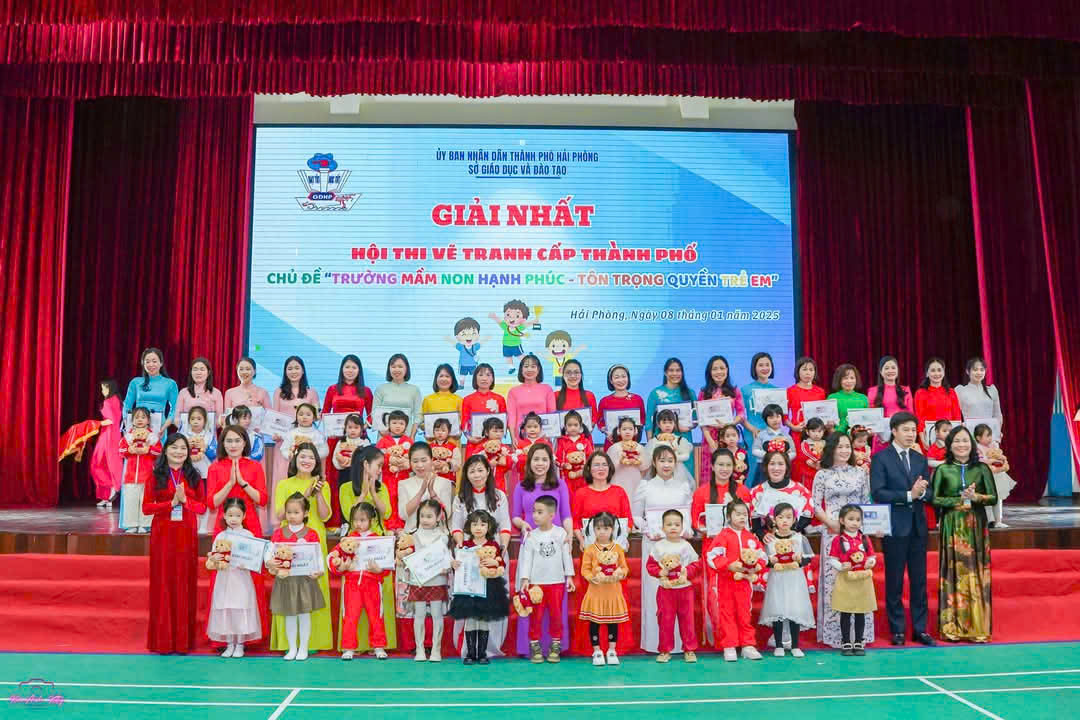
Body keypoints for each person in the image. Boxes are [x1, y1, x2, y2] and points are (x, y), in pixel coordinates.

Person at [870, 411, 936, 646]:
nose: (910, 434)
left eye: (913, 430)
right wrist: (909, 495)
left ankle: (920, 629)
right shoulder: (881, 458)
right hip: (895, 527)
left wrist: (922, 493)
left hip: (918, 527)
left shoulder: (919, 459)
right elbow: (878, 492)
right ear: (894, 431)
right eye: (906, 430)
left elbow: (929, 492)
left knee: (919, 581)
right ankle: (897, 630)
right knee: (894, 580)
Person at [932, 426, 997, 642]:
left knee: (976, 571)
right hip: (952, 525)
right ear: (949, 445)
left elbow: (993, 497)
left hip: (976, 524)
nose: (962, 445)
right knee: (953, 572)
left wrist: (976, 497)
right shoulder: (943, 469)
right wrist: (959, 499)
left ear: (972, 444)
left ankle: (978, 627)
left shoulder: (982, 469)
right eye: (957, 441)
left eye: (965, 441)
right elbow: (935, 499)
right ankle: (952, 627)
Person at [810, 432, 874, 649]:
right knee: (835, 582)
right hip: (833, 533)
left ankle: (859, 635)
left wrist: (865, 527)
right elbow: (815, 505)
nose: (845, 450)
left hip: (856, 533)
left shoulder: (861, 472)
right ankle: (837, 635)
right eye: (840, 447)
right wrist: (831, 523)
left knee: (858, 578)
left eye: (848, 446)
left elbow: (866, 502)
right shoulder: (822, 474)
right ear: (831, 449)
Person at [142, 433, 204, 654]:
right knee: (164, 583)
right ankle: (163, 641)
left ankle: (183, 642)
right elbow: (146, 508)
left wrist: (186, 501)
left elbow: (202, 507)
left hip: (186, 533)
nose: (179, 452)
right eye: (174, 447)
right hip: (163, 534)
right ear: (166, 450)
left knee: (184, 582)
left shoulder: (194, 476)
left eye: (183, 448)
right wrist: (170, 503)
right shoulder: (155, 476)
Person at [271, 444, 333, 653]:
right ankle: (289, 644)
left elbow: (325, 516)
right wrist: (304, 496)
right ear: (295, 459)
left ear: (317, 462)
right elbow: (280, 515)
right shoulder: (284, 484)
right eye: (303, 456)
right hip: (288, 539)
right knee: (288, 587)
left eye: (311, 457)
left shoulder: (322, 484)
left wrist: (319, 493)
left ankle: (313, 642)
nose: (307, 461)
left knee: (313, 589)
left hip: (313, 539)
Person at [450, 455, 512, 658]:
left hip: (493, 554)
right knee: (470, 603)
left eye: (480, 470)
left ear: (488, 471)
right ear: (466, 475)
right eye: (472, 471)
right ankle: (469, 650)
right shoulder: (461, 498)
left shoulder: (499, 496)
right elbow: (456, 526)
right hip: (469, 555)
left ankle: (488, 648)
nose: (476, 475)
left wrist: (502, 548)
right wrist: (462, 547)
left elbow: (505, 524)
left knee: (490, 603)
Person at [633, 445, 693, 653]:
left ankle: (682, 644)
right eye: (662, 460)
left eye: (670, 460)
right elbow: (636, 515)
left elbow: (688, 514)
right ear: (654, 463)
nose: (666, 465)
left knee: (679, 590)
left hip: (679, 546)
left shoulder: (683, 486)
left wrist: (687, 530)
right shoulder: (645, 486)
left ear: (675, 463)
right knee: (656, 591)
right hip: (654, 545)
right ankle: (655, 643)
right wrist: (648, 530)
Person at [692, 448, 751, 648]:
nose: (724, 469)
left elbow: (748, 521)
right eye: (720, 465)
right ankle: (722, 639)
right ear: (712, 466)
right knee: (716, 594)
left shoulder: (742, 491)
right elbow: (695, 521)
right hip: (713, 550)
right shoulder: (702, 492)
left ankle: (743, 640)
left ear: (734, 467)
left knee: (740, 595)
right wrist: (705, 528)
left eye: (728, 465)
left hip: (738, 549)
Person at [266, 492, 326, 661]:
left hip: (305, 581)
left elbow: (318, 555)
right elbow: (269, 552)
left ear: (306, 513)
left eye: (296, 512)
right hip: (285, 580)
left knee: (304, 614)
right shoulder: (279, 533)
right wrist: (270, 562)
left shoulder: (311, 533)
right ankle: (292, 648)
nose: (292, 516)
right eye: (289, 512)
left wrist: (319, 570)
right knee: (289, 615)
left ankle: (303, 648)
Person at [329, 502, 391, 660]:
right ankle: (348, 647)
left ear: (372, 520)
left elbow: (388, 565)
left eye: (362, 520)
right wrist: (341, 567)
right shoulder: (347, 540)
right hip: (352, 584)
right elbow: (331, 558)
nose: (358, 523)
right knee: (350, 616)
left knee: (376, 616)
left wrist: (379, 570)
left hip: (373, 584)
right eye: (355, 520)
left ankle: (379, 646)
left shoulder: (378, 540)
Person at [519, 495, 577, 663]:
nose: (535, 516)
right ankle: (535, 645)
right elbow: (527, 559)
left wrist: (569, 577)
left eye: (540, 512)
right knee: (535, 616)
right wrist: (525, 579)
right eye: (534, 512)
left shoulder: (560, 533)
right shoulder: (531, 536)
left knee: (556, 615)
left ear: (552, 515)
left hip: (556, 583)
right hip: (536, 585)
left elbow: (566, 556)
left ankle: (556, 645)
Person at [705, 499, 765, 661]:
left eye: (745, 514)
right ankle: (729, 645)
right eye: (738, 514)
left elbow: (762, 557)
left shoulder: (751, 537)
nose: (742, 517)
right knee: (727, 613)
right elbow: (712, 556)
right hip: (725, 583)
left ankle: (747, 645)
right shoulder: (723, 536)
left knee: (745, 613)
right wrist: (729, 565)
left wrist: (757, 566)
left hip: (745, 583)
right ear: (729, 516)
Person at [449, 509, 510, 664]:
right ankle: (470, 653)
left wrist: (494, 562)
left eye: (483, 524)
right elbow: (459, 565)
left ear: (489, 527)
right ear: (469, 527)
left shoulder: (493, 545)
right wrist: (454, 564)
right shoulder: (465, 545)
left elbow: (501, 564)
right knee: (470, 620)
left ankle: (482, 653)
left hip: (488, 589)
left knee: (483, 620)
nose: (478, 528)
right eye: (475, 524)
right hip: (468, 590)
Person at [205, 498, 263, 657]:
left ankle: (240, 645)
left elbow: (255, 559)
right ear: (224, 515)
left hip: (241, 579)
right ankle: (230, 644)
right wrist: (214, 559)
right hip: (224, 579)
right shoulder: (221, 536)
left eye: (237, 515)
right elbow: (211, 562)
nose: (233, 519)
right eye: (230, 515)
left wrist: (247, 563)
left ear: (244, 516)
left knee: (240, 609)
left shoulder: (248, 535)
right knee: (227, 610)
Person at [758, 503, 815, 657]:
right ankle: (779, 645)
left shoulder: (799, 538)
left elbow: (809, 558)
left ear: (794, 519)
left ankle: (795, 645)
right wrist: (771, 561)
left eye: (789, 517)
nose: (784, 521)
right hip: (777, 580)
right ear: (774, 519)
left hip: (795, 580)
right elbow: (763, 560)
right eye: (781, 517)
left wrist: (799, 560)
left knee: (794, 609)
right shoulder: (769, 539)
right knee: (777, 609)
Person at [323, 355, 373, 527]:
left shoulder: (365, 391)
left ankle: (357, 520)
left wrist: (365, 426)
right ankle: (337, 522)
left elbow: (371, 415)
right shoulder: (332, 389)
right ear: (342, 369)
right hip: (336, 440)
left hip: (358, 440)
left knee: (358, 479)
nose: (350, 370)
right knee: (337, 480)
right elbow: (325, 413)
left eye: (354, 367)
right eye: (347, 367)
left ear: (359, 370)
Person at [645, 509, 701, 663]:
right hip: (666, 590)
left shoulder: (686, 546)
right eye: (669, 525)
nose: (673, 527)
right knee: (665, 621)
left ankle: (689, 649)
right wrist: (660, 572)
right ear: (663, 527)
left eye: (677, 524)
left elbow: (696, 564)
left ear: (682, 527)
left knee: (687, 621)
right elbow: (650, 566)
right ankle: (665, 650)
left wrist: (686, 572)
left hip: (685, 590)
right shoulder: (658, 546)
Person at [401, 499, 451, 662]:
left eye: (429, 516)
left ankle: (436, 650)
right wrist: (404, 557)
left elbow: (447, 557)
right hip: (418, 581)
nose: (425, 520)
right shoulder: (413, 535)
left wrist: (448, 566)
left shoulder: (443, 537)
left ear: (438, 517)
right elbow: (406, 554)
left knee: (437, 615)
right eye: (422, 516)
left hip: (437, 580)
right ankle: (420, 650)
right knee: (419, 615)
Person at [577, 511, 630, 666]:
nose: (602, 532)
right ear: (593, 529)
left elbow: (624, 568)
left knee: (613, 622)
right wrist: (591, 577)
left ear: (612, 529)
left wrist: (620, 573)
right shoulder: (590, 549)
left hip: (613, 592)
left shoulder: (618, 549)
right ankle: (597, 651)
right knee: (595, 622)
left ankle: (612, 650)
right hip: (596, 592)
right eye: (598, 528)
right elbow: (585, 569)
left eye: (606, 528)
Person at [270, 356, 320, 509]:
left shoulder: (311, 393)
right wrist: (274, 433)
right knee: (283, 478)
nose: (293, 371)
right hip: (284, 444)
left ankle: (304, 511)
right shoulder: (279, 392)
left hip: (306, 442)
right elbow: (274, 417)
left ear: (303, 371)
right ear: (285, 371)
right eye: (290, 368)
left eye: (297, 368)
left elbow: (317, 416)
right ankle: (280, 516)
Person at [827, 505, 878, 655]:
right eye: (851, 519)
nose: (855, 523)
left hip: (862, 579)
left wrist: (871, 562)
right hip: (846, 579)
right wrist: (841, 566)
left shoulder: (865, 539)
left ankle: (859, 642)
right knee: (846, 612)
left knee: (860, 612)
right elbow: (832, 559)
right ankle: (846, 642)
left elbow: (872, 556)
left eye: (858, 520)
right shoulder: (838, 540)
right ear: (842, 521)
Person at [207, 425, 268, 537]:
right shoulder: (214, 468)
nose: (233, 445)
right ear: (223, 443)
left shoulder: (255, 466)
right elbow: (211, 504)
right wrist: (230, 484)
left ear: (244, 443)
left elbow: (263, 500)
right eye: (229, 441)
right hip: (224, 525)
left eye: (237, 441)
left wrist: (243, 483)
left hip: (250, 524)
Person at [698, 355, 748, 486]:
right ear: (709, 372)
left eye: (722, 368)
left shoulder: (734, 390)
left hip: (728, 437)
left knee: (730, 472)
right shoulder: (704, 392)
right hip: (710, 438)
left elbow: (741, 413)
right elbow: (701, 420)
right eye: (715, 369)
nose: (719, 372)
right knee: (710, 474)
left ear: (727, 370)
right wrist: (710, 441)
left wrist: (729, 424)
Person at [571, 451, 633, 551]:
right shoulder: (580, 493)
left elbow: (628, 520)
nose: (601, 468)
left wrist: (623, 537)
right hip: (590, 548)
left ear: (609, 468)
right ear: (589, 468)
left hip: (615, 548)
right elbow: (575, 523)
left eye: (604, 464)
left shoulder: (619, 492)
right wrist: (581, 541)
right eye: (596, 465)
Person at [645, 358, 695, 476]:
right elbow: (648, 421)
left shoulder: (689, 393)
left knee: (684, 476)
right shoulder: (656, 393)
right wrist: (650, 443)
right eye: (671, 370)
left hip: (683, 440)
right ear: (665, 372)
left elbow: (696, 419)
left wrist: (687, 427)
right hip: (660, 441)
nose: (675, 373)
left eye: (678, 370)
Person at [741, 351, 781, 484]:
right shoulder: (745, 390)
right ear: (754, 368)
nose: (765, 368)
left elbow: (781, 415)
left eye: (767, 365)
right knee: (752, 471)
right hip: (753, 434)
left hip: (772, 435)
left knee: (771, 468)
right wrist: (752, 429)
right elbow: (740, 415)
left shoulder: (777, 390)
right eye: (761, 365)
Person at [119, 407, 161, 533]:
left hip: (147, 475)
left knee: (146, 500)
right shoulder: (128, 436)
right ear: (132, 420)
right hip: (131, 475)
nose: (140, 420)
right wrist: (129, 450)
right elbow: (120, 450)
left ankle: (146, 524)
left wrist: (148, 449)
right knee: (130, 499)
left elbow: (159, 451)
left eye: (143, 417)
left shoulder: (152, 436)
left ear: (148, 420)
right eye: (137, 417)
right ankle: (131, 524)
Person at [398, 442, 454, 533]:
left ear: (431, 460)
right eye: (415, 461)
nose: (420, 465)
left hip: (438, 536)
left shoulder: (445, 483)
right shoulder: (403, 484)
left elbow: (446, 515)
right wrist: (421, 492)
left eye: (424, 460)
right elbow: (403, 515)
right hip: (412, 535)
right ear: (410, 462)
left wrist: (432, 493)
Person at [337, 445, 392, 536]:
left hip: (378, 537)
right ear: (366, 464)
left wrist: (373, 493)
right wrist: (363, 494)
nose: (380, 470)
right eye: (378, 466)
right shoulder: (345, 488)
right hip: (355, 538)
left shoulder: (382, 487)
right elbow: (348, 516)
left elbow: (386, 515)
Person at [179, 405, 216, 533]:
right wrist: (185, 447)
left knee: (203, 499)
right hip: (187, 473)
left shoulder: (209, 436)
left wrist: (205, 447)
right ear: (188, 420)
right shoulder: (183, 436)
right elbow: (176, 452)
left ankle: (203, 526)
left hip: (205, 473)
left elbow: (214, 454)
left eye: (199, 419)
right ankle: (188, 524)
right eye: (193, 419)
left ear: (205, 421)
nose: (195, 421)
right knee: (188, 498)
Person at [375, 409, 413, 529]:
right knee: (389, 499)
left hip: (404, 478)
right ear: (389, 424)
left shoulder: (409, 441)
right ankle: (389, 526)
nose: (397, 426)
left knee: (403, 499)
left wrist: (407, 463)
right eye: (394, 423)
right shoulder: (383, 441)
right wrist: (389, 459)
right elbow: (377, 459)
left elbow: (414, 459)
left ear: (406, 426)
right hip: (387, 477)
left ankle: (403, 525)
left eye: (401, 423)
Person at [866, 356, 913, 449]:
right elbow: (871, 417)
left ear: (897, 371)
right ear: (881, 372)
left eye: (893, 368)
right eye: (887, 368)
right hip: (881, 439)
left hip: (901, 437)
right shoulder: (873, 391)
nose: (890, 371)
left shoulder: (905, 390)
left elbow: (911, 415)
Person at [123, 347, 179, 425]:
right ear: (143, 364)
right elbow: (127, 405)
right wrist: (127, 423)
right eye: (147, 362)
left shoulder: (170, 383)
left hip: (160, 426)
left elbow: (175, 408)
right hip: (138, 426)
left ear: (161, 363)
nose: (151, 364)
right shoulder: (135, 382)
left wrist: (165, 426)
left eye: (154, 361)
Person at [973, 423, 1015, 527]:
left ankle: (998, 521)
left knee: (998, 498)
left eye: (990, 435)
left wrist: (1001, 460)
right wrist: (990, 461)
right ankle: (989, 520)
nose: (990, 438)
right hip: (986, 477)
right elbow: (979, 461)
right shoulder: (977, 448)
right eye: (987, 436)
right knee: (987, 499)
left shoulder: (993, 446)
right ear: (978, 438)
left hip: (997, 476)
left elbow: (1000, 456)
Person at [644, 409, 694, 495]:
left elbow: (686, 456)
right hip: (658, 472)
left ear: (674, 424)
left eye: (670, 422)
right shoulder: (654, 441)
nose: (667, 425)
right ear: (658, 424)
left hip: (677, 472)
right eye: (664, 422)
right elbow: (649, 457)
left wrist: (673, 458)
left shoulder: (679, 440)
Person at [596, 364, 646, 450]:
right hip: (611, 445)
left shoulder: (637, 399)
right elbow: (600, 422)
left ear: (628, 378)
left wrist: (638, 428)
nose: (621, 380)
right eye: (616, 377)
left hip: (632, 445)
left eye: (623, 376)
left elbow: (642, 419)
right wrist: (605, 431)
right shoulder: (604, 401)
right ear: (611, 380)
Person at [914, 357, 962, 445]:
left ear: (944, 372)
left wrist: (957, 438)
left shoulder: (951, 392)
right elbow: (919, 418)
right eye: (933, 370)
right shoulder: (920, 393)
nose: (936, 373)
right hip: (928, 436)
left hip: (948, 436)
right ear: (927, 373)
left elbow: (957, 416)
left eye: (939, 370)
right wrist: (922, 439)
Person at [90, 378, 123, 507]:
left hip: (108, 435)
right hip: (113, 434)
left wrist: (94, 424)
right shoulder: (117, 400)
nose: (102, 391)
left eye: (104, 388)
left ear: (110, 388)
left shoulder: (109, 401)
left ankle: (112, 489)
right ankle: (108, 494)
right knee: (107, 463)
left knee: (100, 463)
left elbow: (111, 420)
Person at [373, 354, 423, 438]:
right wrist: (382, 431)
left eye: (400, 366)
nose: (396, 369)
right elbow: (374, 412)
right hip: (384, 437)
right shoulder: (381, 389)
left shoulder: (414, 390)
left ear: (406, 369)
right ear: (389, 369)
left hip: (406, 437)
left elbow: (418, 415)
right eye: (393, 367)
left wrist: (412, 436)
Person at [506, 353, 556, 435]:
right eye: (526, 366)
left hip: (543, 437)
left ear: (538, 369)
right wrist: (513, 437)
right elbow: (511, 417)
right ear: (521, 370)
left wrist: (549, 436)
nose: (529, 369)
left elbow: (552, 415)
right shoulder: (513, 391)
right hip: (521, 437)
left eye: (533, 366)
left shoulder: (547, 389)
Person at [464, 416, 513, 492]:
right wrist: (488, 463)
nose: (499, 434)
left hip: (499, 481)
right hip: (482, 482)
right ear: (486, 432)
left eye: (501, 431)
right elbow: (474, 461)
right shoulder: (481, 446)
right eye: (495, 431)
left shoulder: (505, 447)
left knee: (499, 497)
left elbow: (510, 465)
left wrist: (503, 459)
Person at [173, 357, 224, 428]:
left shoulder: (216, 393)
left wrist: (204, 429)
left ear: (208, 372)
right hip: (187, 432)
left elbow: (219, 419)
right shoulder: (183, 392)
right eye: (195, 369)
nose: (198, 373)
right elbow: (176, 418)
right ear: (191, 372)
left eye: (202, 369)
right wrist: (188, 429)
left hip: (208, 432)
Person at [786, 356, 828, 443]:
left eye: (811, 370)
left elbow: (824, 413)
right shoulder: (790, 391)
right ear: (798, 371)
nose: (808, 373)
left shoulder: (820, 392)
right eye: (804, 369)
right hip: (797, 433)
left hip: (817, 435)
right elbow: (784, 415)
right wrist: (793, 427)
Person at [606, 417, 648, 501]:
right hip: (617, 482)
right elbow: (609, 468)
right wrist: (620, 461)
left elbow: (645, 468)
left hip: (635, 482)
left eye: (630, 429)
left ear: (635, 431)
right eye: (624, 429)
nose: (627, 432)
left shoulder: (640, 448)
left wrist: (637, 465)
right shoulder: (613, 448)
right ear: (619, 431)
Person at [460, 363, 507, 438]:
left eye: (488, 375)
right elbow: (464, 423)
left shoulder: (500, 399)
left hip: (494, 442)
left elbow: (504, 423)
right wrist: (469, 438)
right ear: (475, 378)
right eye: (481, 375)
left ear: (492, 379)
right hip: (474, 442)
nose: (484, 378)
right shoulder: (467, 399)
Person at [750, 404, 796, 481]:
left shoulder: (787, 436)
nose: (775, 420)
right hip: (764, 466)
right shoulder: (761, 434)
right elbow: (754, 450)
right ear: (766, 419)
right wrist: (769, 456)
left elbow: (793, 452)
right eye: (771, 417)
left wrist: (783, 457)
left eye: (778, 416)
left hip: (781, 467)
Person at [955, 356, 1003, 428]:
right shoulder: (960, 390)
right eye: (975, 370)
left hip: (989, 432)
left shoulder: (992, 390)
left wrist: (998, 431)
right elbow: (955, 414)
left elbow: (997, 414)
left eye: (982, 370)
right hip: (970, 431)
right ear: (967, 371)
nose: (979, 372)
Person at [222, 357, 272, 424]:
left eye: (248, 369)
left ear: (254, 371)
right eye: (241, 369)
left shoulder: (263, 392)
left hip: (257, 430)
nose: (244, 372)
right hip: (236, 429)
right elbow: (227, 419)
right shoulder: (229, 393)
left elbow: (270, 417)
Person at [421, 364, 464, 441]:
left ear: (452, 380)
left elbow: (463, 422)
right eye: (441, 376)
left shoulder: (459, 400)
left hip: (453, 443)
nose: (444, 379)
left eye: (447, 376)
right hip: (433, 443)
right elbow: (422, 422)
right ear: (436, 379)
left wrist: (460, 431)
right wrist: (426, 430)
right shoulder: (427, 399)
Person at [556, 409, 594, 494]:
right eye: (569, 425)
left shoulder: (585, 441)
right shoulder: (561, 441)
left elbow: (591, 458)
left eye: (575, 425)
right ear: (565, 427)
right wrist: (564, 465)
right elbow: (557, 459)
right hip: (567, 476)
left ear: (580, 426)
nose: (573, 427)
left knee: (583, 495)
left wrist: (586, 467)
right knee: (569, 496)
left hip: (582, 476)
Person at [554, 359, 599, 423]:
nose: (573, 376)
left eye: (576, 372)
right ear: (563, 375)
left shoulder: (589, 395)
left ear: (581, 375)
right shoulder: (555, 396)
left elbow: (594, 419)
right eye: (568, 372)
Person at [828, 363, 869, 434]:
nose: (849, 381)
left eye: (852, 378)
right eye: (845, 378)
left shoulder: (863, 398)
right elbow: (829, 426)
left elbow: (867, 422)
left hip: (859, 438)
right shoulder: (832, 398)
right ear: (839, 380)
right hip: (838, 436)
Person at [427, 418, 461, 486]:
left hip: (449, 480)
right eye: (437, 430)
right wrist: (432, 464)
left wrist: (447, 464)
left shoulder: (453, 447)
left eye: (443, 430)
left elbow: (458, 464)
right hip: (432, 479)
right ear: (433, 432)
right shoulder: (428, 447)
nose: (440, 433)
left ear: (449, 432)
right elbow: (424, 462)